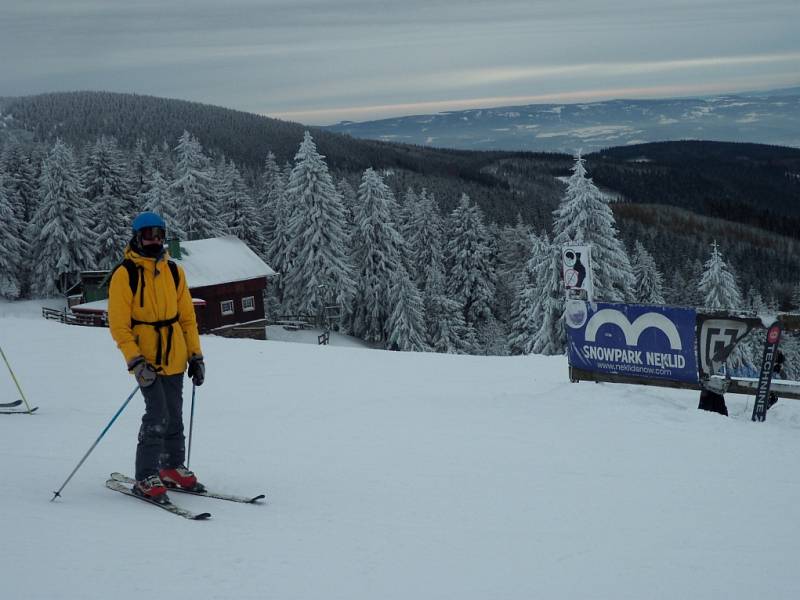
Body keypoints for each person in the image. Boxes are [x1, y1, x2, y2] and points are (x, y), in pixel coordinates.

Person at [107, 211, 206, 502]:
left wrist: (196, 356)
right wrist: (135, 360)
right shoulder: (126, 273)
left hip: (175, 355)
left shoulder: (174, 271)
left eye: (160, 235)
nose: (155, 240)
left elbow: (187, 318)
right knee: (157, 414)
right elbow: (119, 324)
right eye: (149, 235)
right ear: (137, 237)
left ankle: (172, 466)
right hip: (146, 360)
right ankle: (146, 475)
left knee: (174, 413)